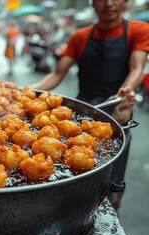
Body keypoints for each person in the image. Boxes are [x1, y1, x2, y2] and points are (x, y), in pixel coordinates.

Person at [31, 0, 149, 210]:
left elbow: (137, 68)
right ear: (93, 3)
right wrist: (27, 91)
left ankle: (112, 213)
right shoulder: (80, 36)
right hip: (81, 115)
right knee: (74, 180)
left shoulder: (138, 30)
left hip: (118, 113)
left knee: (114, 186)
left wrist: (127, 90)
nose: (109, 3)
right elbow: (58, 73)